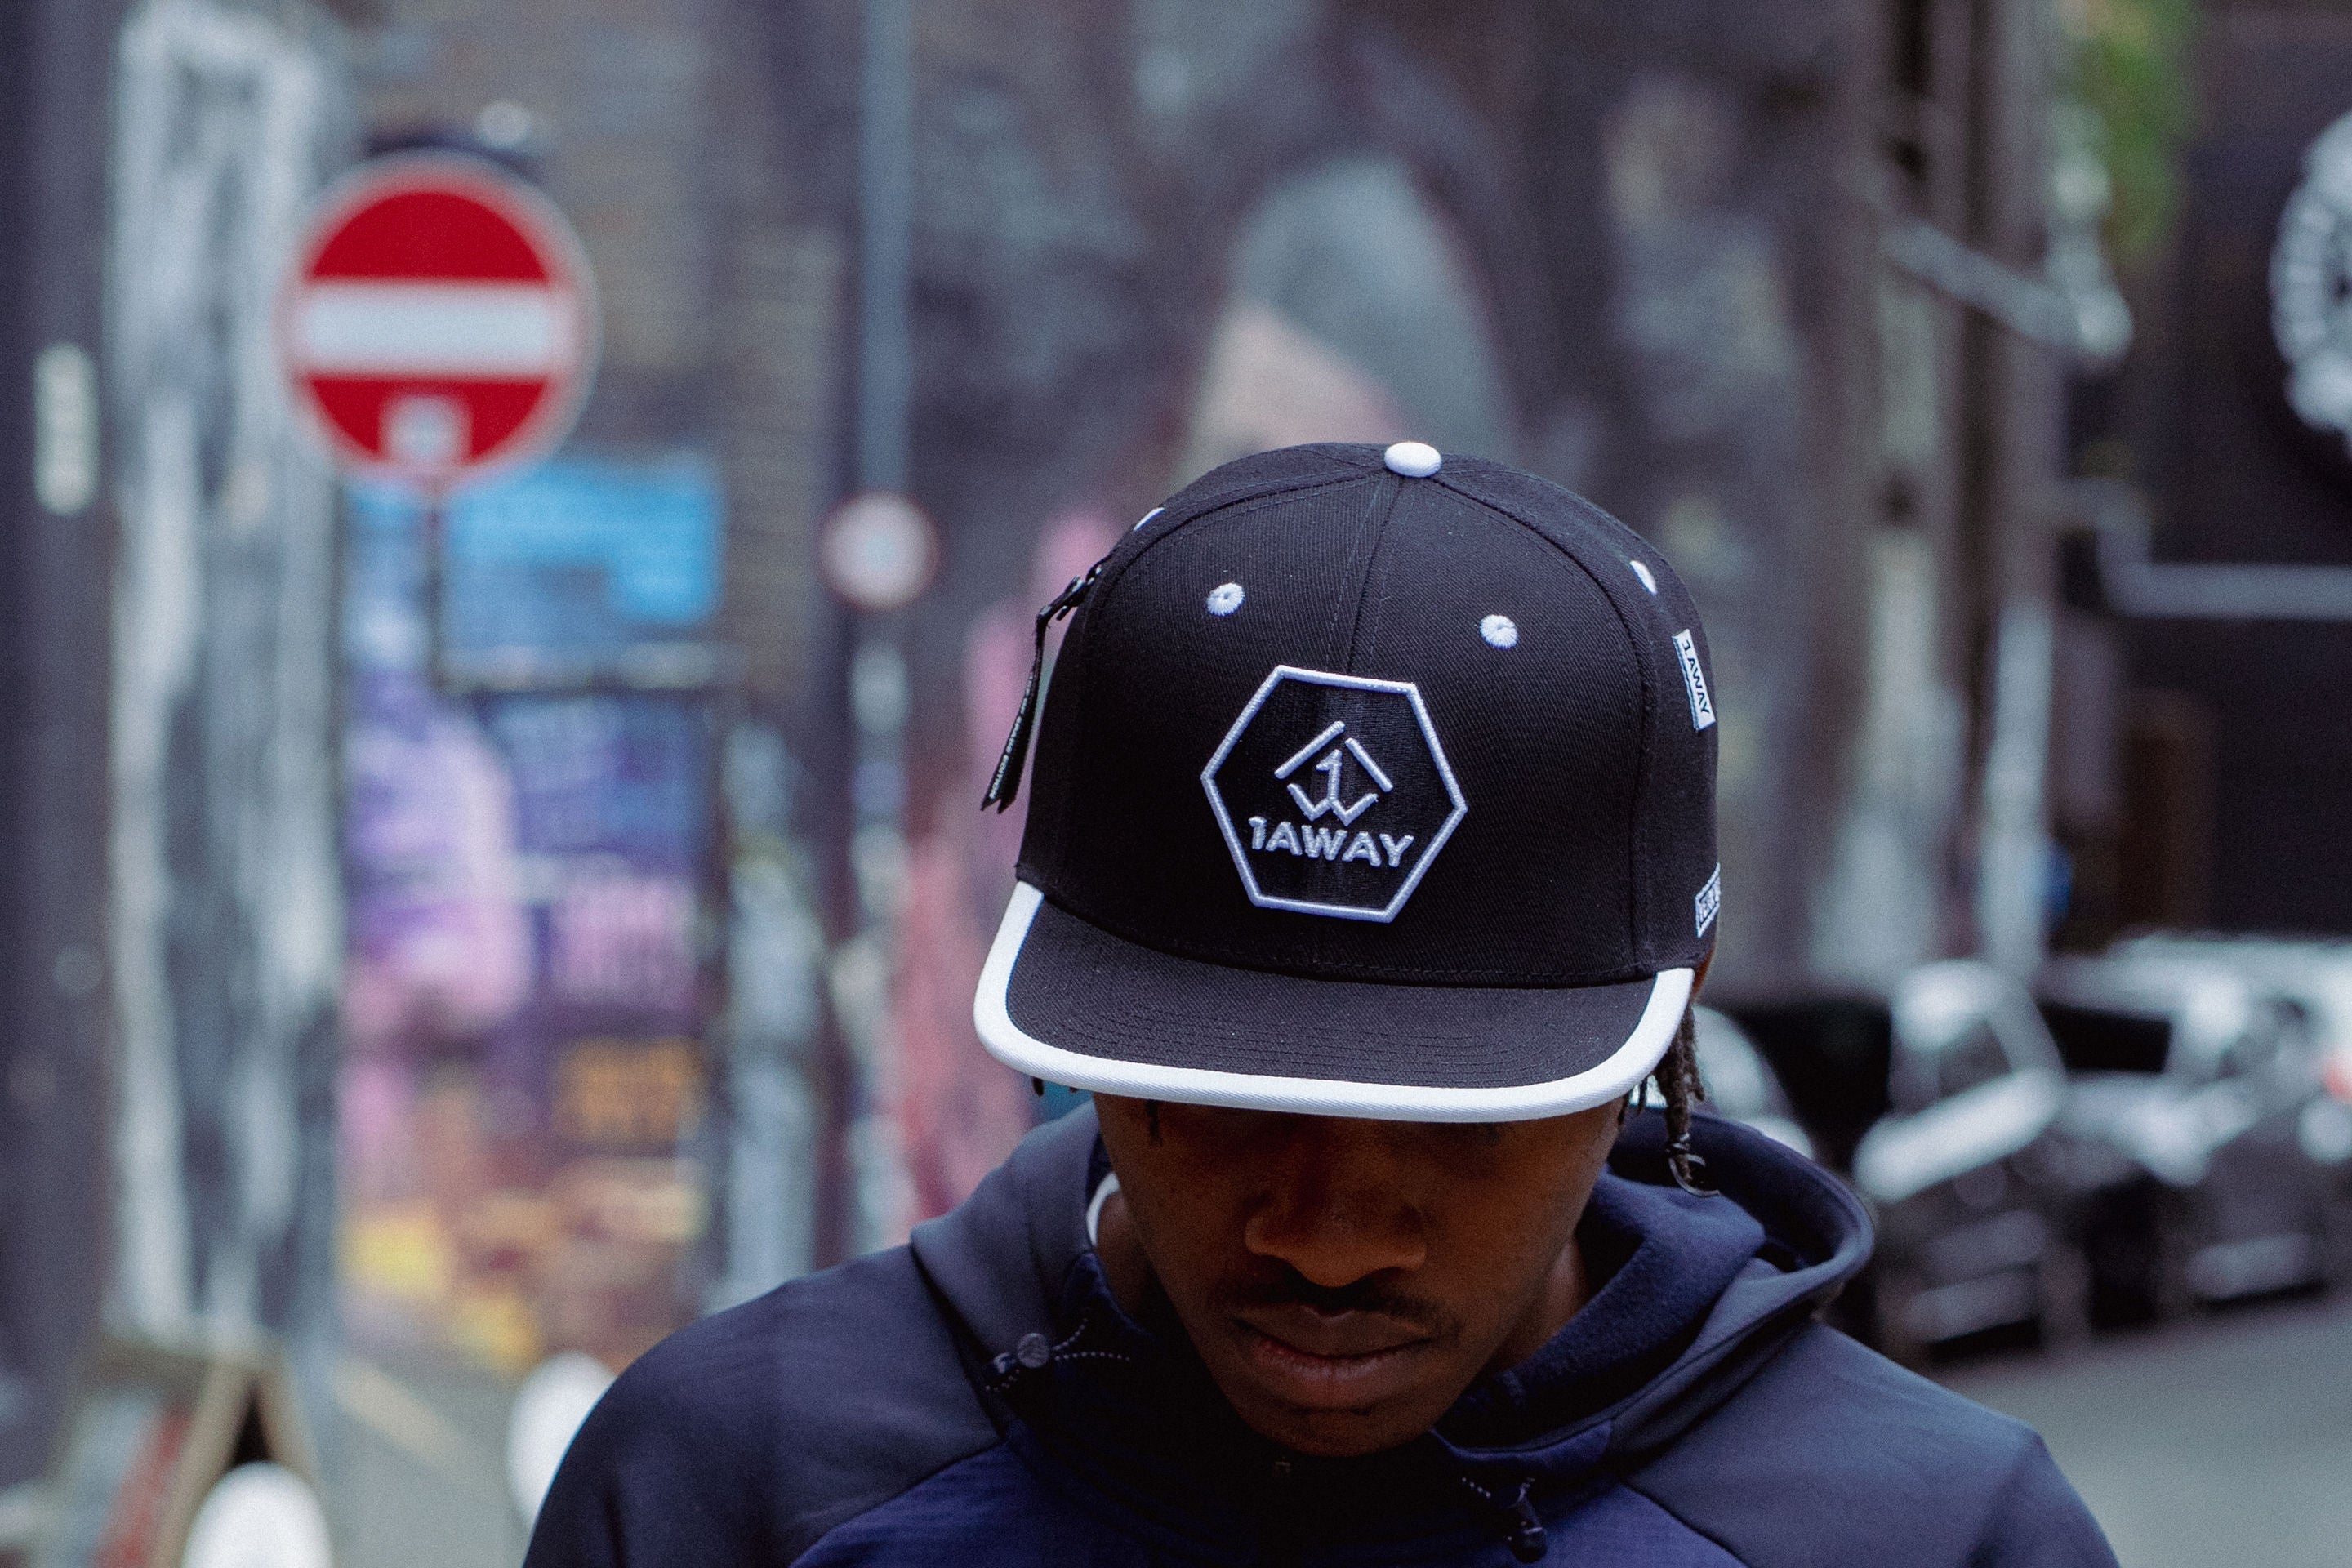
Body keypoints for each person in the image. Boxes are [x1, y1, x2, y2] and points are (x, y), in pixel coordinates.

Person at [526, 443, 2117, 1566]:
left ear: (1669, 1013)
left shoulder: (1936, 1543)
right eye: (1222, 1098)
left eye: (1460, 1117)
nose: (1331, 1240)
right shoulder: (732, 1484)